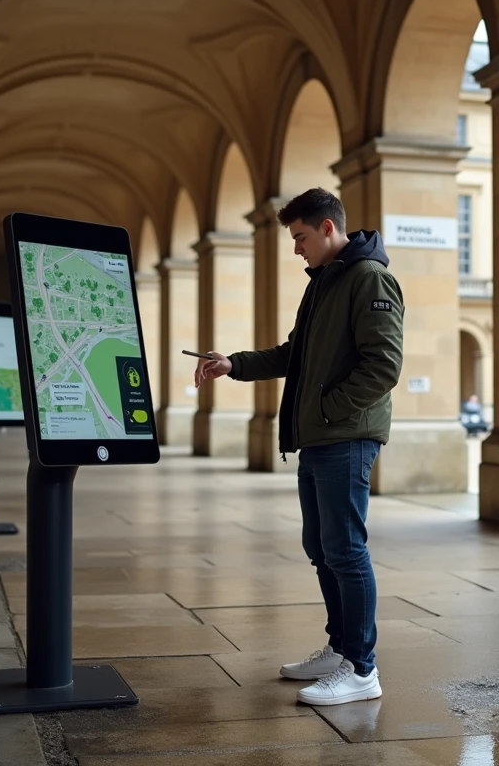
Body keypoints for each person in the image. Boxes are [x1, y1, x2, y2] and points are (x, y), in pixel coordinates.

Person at [193, 188, 401, 707]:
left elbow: (384, 366)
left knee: (347, 551)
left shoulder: (370, 279)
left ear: (328, 229)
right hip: (318, 438)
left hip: (344, 436)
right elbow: (295, 354)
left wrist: (331, 409)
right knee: (322, 549)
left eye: (301, 237)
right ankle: (340, 647)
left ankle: (362, 669)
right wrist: (233, 364)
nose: (296, 249)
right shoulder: (325, 283)